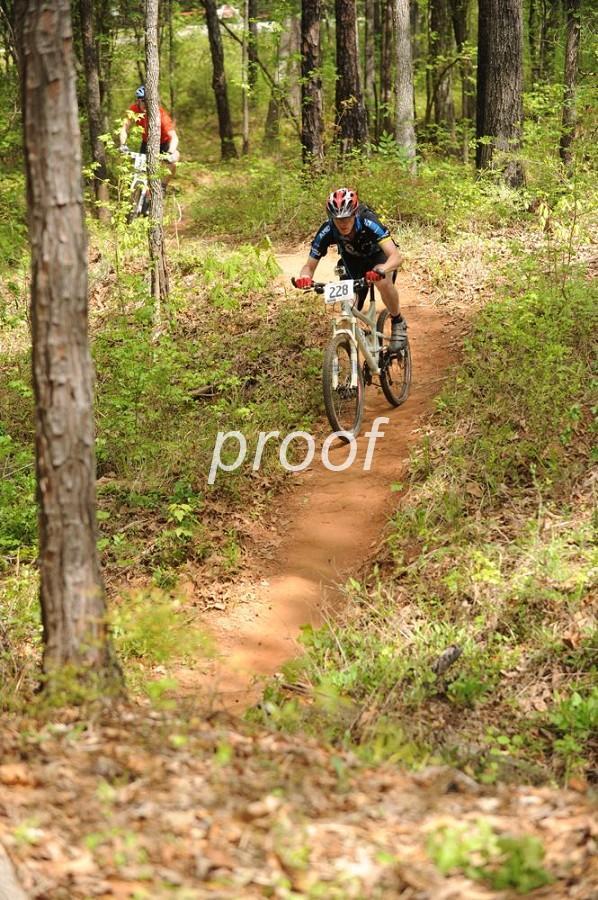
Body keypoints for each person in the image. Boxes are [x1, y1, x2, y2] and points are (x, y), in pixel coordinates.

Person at [295, 188, 407, 351]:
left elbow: (396, 256)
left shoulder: (368, 221)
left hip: (378, 258)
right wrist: (304, 277)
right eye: (338, 219)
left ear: (355, 214)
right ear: (331, 218)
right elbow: (309, 266)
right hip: (352, 264)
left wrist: (383, 269)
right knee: (348, 306)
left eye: (347, 218)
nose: (343, 223)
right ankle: (356, 344)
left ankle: (398, 321)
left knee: (382, 280)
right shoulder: (327, 229)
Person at [119, 85, 180, 187]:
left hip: (165, 143)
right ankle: (137, 194)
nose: (146, 104)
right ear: (138, 101)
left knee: (174, 161)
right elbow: (124, 128)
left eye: (149, 101)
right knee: (140, 173)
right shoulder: (134, 109)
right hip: (147, 143)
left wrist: (170, 153)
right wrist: (123, 145)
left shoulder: (161, 115)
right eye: (143, 101)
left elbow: (174, 137)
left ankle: (162, 187)